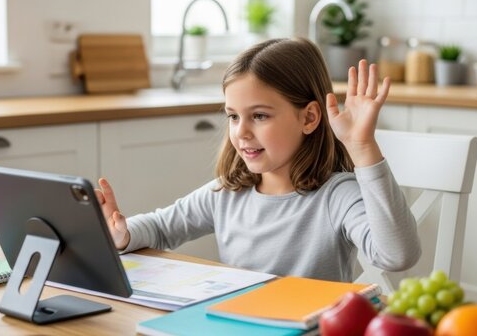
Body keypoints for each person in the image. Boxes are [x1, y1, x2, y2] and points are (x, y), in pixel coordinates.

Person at [95, 38, 421, 282]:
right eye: (233, 117)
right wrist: (122, 235)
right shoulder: (227, 194)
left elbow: (397, 255)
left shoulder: (337, 196)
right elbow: (160, 227)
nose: (242, 132)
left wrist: (362, 146)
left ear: (309, 118)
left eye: (260, 116)